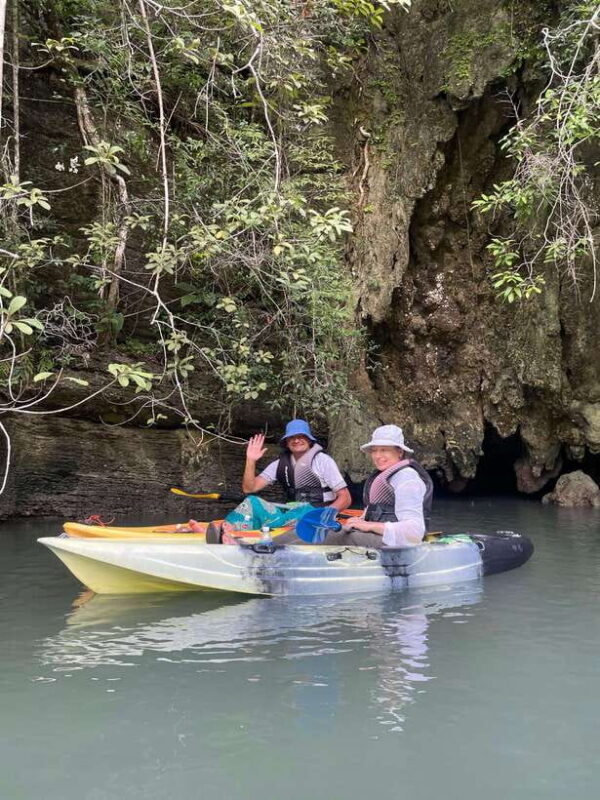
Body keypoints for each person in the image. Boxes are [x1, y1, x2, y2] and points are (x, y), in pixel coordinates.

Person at [207, 419, 351, 542]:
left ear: (309, 440)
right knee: (252, 501)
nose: (296, 440)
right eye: (292, 437)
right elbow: (249, 488)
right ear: (286, 442)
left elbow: (345, 498)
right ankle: (226, 531)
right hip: (290, 510)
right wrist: (250, 460)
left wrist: (326, 514)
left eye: (301, 436)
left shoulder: (323, 461)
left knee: (290, 518)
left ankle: (238, 538)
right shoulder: (280, 464)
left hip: (314, 512)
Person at [324, 424, 433, 548]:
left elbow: (414, 532)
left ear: (400, 452)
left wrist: (369, 526)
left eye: (384, 450)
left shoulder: (407, 478)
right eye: (374, 450)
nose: (377, 456)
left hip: (394, 544)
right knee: (327, 530)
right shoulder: (385, 476)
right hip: (377, 537)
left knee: (326, 536)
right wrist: (360, 521)